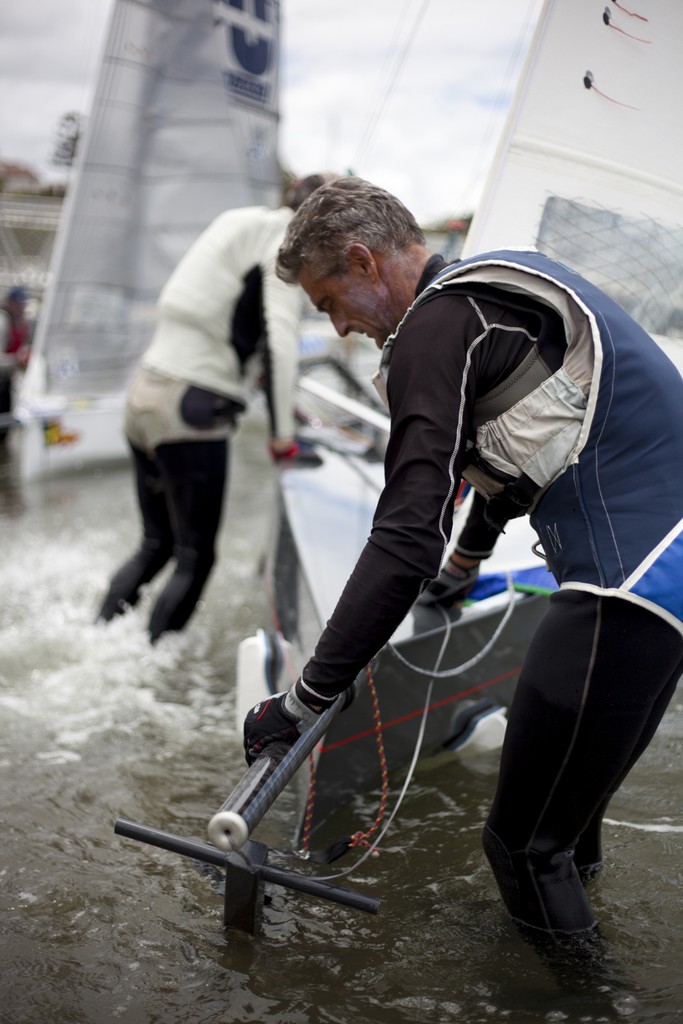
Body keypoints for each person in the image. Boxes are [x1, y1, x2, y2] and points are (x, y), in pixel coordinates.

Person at [243, 176, 683, 940]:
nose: (340, 329)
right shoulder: (486, 298)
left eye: (328, 303)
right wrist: (466, 564)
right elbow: (518, 454)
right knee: (566, 834)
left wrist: (303, 700)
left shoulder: (435, 327)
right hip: (662, 576)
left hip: (630, 581)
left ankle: (582, 1002)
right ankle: (574, 945)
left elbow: (404, 533)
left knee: (519, 849)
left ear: (362, 260)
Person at [98, 174, 335, 643]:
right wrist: (283, 438)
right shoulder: (287, 247)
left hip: (145, 394)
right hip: (189, 412)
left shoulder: (239, 221)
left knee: (155, 543)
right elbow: (282, 345)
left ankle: (99, 637)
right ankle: (150, 663)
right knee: (197, 557)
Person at [0, 285, 31, 441]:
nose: (22, 307)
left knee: (5, 431)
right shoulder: (2, 322)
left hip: (7, 384)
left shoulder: (21, 322)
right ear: (10, 302)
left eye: (24, 304)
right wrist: (17, 360)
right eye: (20, 303)